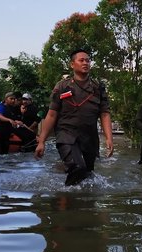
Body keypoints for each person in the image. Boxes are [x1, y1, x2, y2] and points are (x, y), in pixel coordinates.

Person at [35, 49, 114, 186]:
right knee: (78, 168)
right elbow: (52, 114)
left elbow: (105, 113)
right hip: (66, 135)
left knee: (88, 176)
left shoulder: (97, 88)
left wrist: (109, 138)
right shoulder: (62, 86)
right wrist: (42, 141)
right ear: (72, 64)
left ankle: (80, 204)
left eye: (88, 60)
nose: (85, 63)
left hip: (89, 137)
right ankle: (64, 201)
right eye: (81, 60)